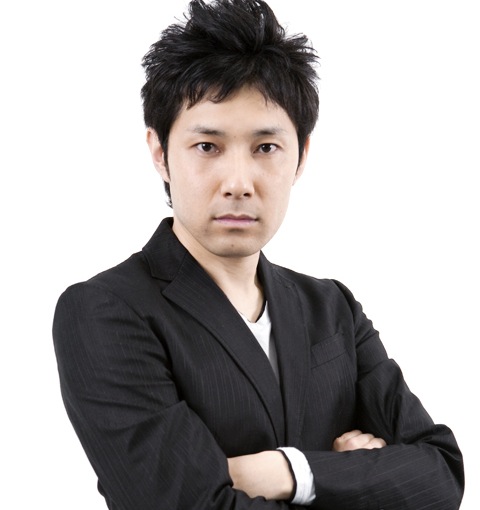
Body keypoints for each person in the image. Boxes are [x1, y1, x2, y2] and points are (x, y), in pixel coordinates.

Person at [52, 0, 464, 508]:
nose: (238, 183)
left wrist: (290, 471)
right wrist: (354, 478)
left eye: (265, 148)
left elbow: (440, 475)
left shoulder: (332, 308)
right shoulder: (106, 311)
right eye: (208, 147)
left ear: (301, 156)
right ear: (160, 153)